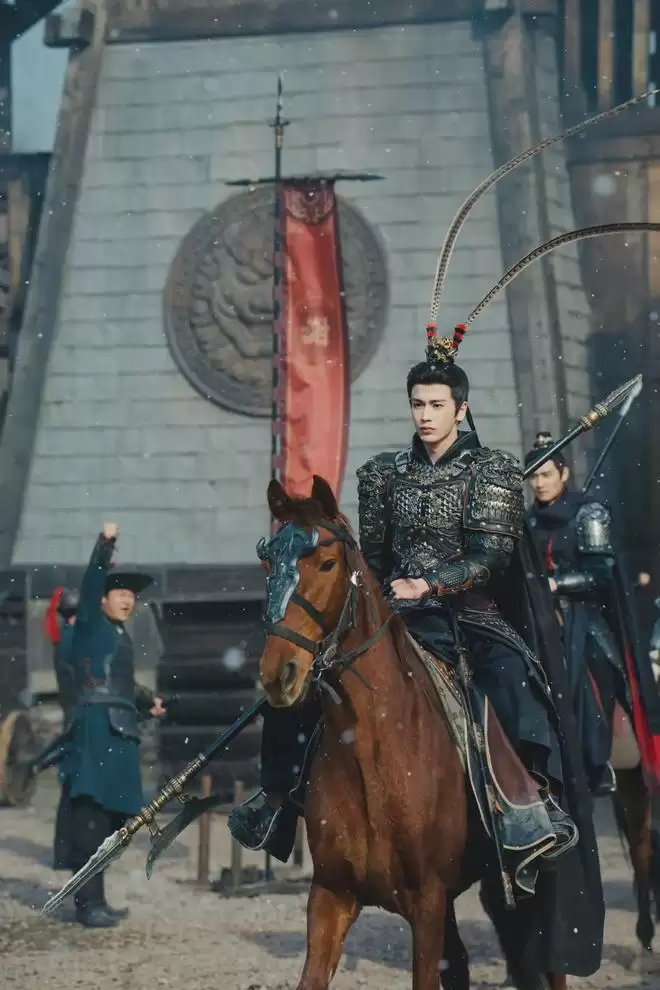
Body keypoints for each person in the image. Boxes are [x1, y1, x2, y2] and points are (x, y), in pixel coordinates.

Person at [230, 335, 588, 884]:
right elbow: (373, 555)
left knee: (512, 681)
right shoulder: (383, 473)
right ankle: (278, 799)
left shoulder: (492, 469)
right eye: (418, 403)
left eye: (437, 404)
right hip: (396, 616)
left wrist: (431, 583)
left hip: (470, 616)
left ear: (460, 409)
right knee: (305, 677)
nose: (425, 415)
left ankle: (528, 807)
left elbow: (491, 556)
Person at [525, 433, 660, 794]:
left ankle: (599, 759)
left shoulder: (588, 513)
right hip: (538, 614)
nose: (539, 483)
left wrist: (557, 583)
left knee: (594, 669)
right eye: (533, 476)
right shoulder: (527, 522)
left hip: (583, 618)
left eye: (546, 474)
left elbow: (601, 571)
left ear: (564, 474)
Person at [58, 523, 166, 928]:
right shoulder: (89, 622)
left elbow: (121, 685)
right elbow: (90, 584)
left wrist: (146, 703)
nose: (127, 599)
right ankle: (87, 905)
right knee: (91, 815)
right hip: (96, 731)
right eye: (119, 593)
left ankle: (97, 898)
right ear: (101, 599)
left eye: (131, 595)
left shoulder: (119, 634)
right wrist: (104, 546)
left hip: (120, 731)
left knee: (112, 820)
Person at [43, 587, 79, 871]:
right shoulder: (73, 642)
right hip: (79, 720)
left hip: (74, 717)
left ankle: (64, 853)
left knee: (72, 788)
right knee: (75, 789)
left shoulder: (64, 639)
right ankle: (68, 854)